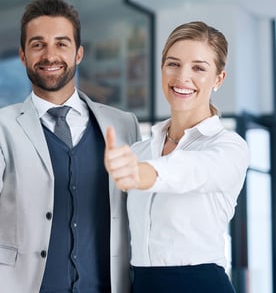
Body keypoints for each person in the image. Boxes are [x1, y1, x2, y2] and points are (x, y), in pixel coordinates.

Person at [0, 0, 141, 292]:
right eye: (38, 44)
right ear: (22, 55)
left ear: (79, 53)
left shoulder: (124, 125)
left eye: (61, 43)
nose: (50, 55)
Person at [104, 21, 249, 293]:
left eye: (198, 68)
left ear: (218, 79)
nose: (182, 77)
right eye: (173, 64)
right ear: (162, 69)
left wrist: (143, 174)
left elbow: (192, 171)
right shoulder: (140, 151)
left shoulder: (229, 148)